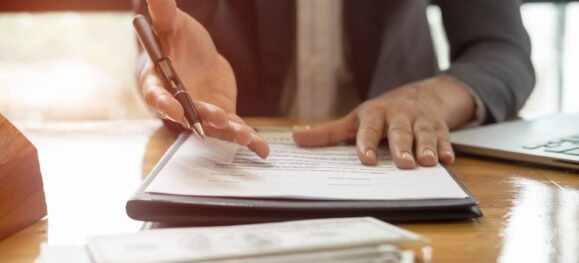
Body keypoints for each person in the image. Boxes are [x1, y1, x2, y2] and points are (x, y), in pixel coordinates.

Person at [134, 0, 534, 169]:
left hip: (398, 160)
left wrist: (430, 98)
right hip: (236, 161)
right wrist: (171, 81)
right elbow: (164, 33)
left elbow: (501, 50)